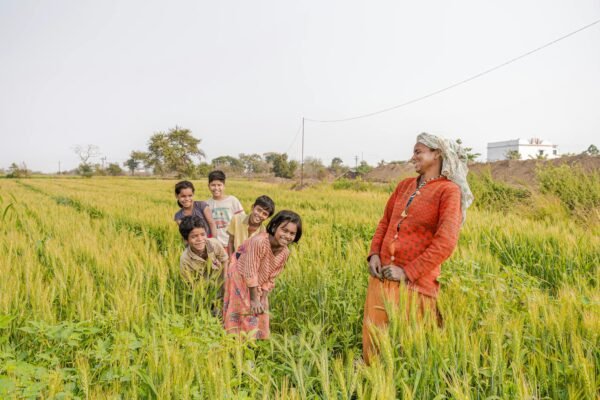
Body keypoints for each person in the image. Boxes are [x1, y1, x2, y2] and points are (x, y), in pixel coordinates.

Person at [362, 132, 474, 364]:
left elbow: (446, 242)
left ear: (437, 154)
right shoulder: (404, 186)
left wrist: (407, 272)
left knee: (406, 347)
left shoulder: (448, 191)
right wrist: (374, 253)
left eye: (418, 152)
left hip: (415, 284)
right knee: (375, 341)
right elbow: (385, 222)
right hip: (382, 277)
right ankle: (371, 379)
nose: (413, 157)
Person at [223, 210, 302, 339]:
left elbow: (272, 276)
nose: (287, 236)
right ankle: (235, 341)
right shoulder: (259, 242)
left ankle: (253, 341)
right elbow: (250, 270)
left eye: (292, 233)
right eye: (284, 230)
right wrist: (254, 299)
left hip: (258, 279)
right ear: (275, 226)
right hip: (240, 273)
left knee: (261, 310)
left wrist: (263, 297)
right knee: (243, 307)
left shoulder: (285, 252)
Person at [178, 215, 229, 313]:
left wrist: (225, 282)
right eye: (194, 236)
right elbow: (189, 283)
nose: (200, 239)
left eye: (202, 234)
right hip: (203, 292)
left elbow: (225, 260)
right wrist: (203, 298)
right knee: (213, 313)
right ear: (186, 240)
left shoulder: (214, 244)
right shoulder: (185, 259)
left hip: (220, 285)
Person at [205, 170, 245, 248]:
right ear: (208, 186)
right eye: (213, 185)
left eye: (219, 185)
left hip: (231, 244)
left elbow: (242, 221)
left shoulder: (233, 200)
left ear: (224, 185)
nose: (216, 188)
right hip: (215, 246)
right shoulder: (206, 204)